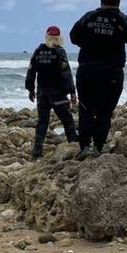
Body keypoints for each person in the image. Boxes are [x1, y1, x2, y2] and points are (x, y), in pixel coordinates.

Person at [70, 0, 127, 160]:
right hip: (112, 74)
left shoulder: (89, 17)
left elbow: (73, 37)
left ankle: (85, 147)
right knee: (104, 112)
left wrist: (89, 44)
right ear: (118, 2)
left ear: (101, 0)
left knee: (86, 109)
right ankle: (98, 148)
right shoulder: (122, 19)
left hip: (87, 71)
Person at [25, 26, 78, 158]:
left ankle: (37, 153)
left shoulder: (38, 51)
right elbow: (66, 73)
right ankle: (74, 145)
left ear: (46, 37)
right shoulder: (60, 52)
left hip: (42, 93)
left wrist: (31, 89)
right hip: (58, 93)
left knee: (42, 122)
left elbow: (31, 71)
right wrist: (72, 92)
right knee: (67, 120)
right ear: (59, 38)